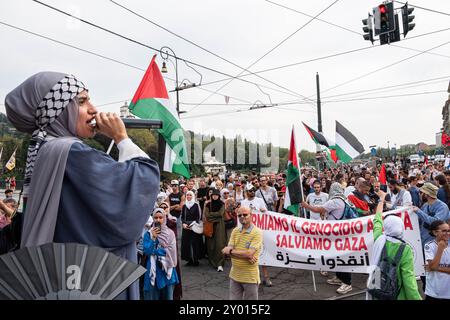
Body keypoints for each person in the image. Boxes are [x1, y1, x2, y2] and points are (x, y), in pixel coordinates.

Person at [5, 71, 160, 300]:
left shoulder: (44, 150)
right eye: (81, 101)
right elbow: (143, 180)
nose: (93, 109)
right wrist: (121, 138)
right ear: (57, 110)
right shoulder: (70, 152)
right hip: (96, 282)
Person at [368, 190, 422, 300]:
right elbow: (408, 278)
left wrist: (381, 200)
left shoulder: (379, 237)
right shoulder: (405, 249)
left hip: (377, 286)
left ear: (386, 226)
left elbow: (377, 218)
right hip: (395, 293)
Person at [301, 182, 353, 294]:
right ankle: (339, 278)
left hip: (338, 234)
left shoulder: (335, 201)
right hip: (340, 233)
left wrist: (307, 206)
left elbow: (318, 209)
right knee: (337, 256)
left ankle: (347, 283)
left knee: (341, 257)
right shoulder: (344, 199)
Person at [222, 206, 263, 300]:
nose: (242, 217)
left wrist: (231, 251)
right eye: (239, 215)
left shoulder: (257, 232)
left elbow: (248, 253)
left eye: (245, 214)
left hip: (250, 277)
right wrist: (245, 255)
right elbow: (226, 251)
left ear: (251, 215)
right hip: (234, 275)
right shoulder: (235, 231)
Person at [142, 208, 179, 300]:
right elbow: (147, 251)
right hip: (152, 268)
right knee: (152, 295)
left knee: (167, 295)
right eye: (156, 218)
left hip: (167, 268)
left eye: (160, 217)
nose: (158, 220)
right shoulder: (148, 234)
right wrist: (153, 238)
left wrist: (155, 251)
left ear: (164, 218)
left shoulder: (170, 233)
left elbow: (171, 251)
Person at [424, 220, 450, 300]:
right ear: (435, 233)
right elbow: (433, 266)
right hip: (433, 292)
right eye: (444, 231)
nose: (448, 233)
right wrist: (440, 249)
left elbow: (433, 267)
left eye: (449, 230)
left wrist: (434, 268)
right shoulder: (429, 246)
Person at [204, 189, 226, 272]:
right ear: (211, 196)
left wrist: (211, 215)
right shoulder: (208, 204)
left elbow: (221, 214)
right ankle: (213, 261)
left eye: (216, 195)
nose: (215, 196)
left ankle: (220, 263)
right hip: (210, 225)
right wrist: (214, 216)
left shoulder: (222, 204)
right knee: (211, 244)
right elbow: (207, 215)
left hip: (219, 225)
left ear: (219, 196)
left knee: (220, 244)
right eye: (213, 195)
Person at [180, 191, 202, 267]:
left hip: (194, 227)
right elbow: (182, 217)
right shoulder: (184, 206)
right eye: (187, 195)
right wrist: (184, 223)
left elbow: (198, 217)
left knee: (195, 243)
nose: (188, 196)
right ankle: (189, 259)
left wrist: (192, 224)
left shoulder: (196, 205)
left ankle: (196, 259)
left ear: (193, 196)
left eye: (190, 195)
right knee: (186, 244)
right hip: (186, 227)